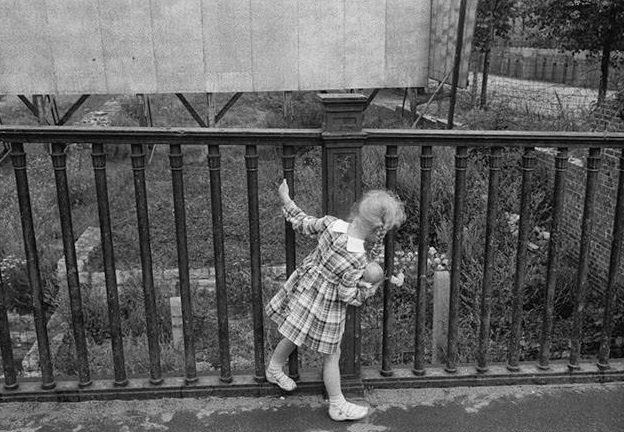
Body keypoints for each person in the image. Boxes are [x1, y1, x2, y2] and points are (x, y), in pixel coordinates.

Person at [265, 179, 405, 421]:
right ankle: (337, 403)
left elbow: (303, 223)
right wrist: (368, 290)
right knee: (332, 354)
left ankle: (274, 368)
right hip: (327, 305)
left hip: (307, 288)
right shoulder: (358, 259)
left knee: (294, 332)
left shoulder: (333, 224)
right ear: (378, 230)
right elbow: (346, 295)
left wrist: (286, 199)